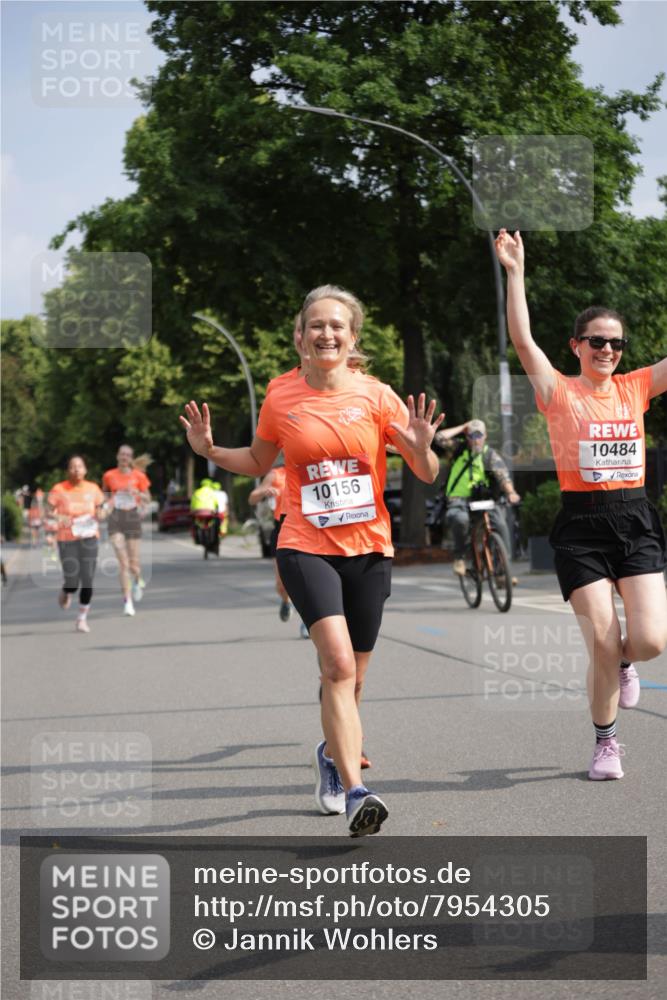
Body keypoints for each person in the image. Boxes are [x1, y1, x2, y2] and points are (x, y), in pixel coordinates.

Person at [180, 284, 443, 836]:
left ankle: (329, 753)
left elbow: (426, 473)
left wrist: (419, 447)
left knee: (354, 681)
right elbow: (258, 460)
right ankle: (356, 792)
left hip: (369, 548)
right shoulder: (280, 396)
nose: (327, 334)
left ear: (353, 339)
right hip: (305, 544)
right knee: (337, 667)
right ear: (300, 337)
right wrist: (208, 451)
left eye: (337, 327)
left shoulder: (377, 396)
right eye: (316, 326)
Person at [495, 228, 667, 781]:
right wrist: (516, 273)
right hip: (582, 526)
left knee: (648, 642)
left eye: (616, 343)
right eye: (597, 341)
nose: (608, 351)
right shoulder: (558, 391)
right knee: (600, 637)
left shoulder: (635, 387)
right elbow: (522, 341)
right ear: (577, 346)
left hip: (635, 518)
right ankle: (606, 743)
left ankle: (624, 662)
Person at [435, 419, 520, 576]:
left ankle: (502, 571)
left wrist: (511, 493)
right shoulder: (458, 448)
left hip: (483, 500)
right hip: (458, 498)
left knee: (500, 525)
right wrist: (462, 427)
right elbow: (438, 437)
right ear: (467, 437)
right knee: (460, 520)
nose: (475, 439)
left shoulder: (490, 455)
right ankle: (459, 557)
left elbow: (503, 476)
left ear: (485, 436)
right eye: (472, 435)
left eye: (479, 435)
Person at [47, 456, 106, 633]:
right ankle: (67, 590)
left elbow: (101, 508)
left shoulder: (93, 488)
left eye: (80, 466)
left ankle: (82, 618)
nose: (76, 470)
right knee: (72, 580)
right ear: (68, 471)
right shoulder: (58, 489)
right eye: (73, 467)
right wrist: (59, 517)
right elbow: (48, 512)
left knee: (87, 578)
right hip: (67, 538)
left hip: (89, 537)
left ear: (85, 470)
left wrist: (102, 514)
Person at [102, 445, 151, 617]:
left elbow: (147, 497)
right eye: (122, 454)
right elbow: (106, 496)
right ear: (117, 456)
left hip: (132, 518)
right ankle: (127, 602)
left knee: (134, 565)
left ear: (131, 458)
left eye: (127, 455)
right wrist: (105, 506)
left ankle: (137, 579)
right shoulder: (109, 475)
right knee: (123, 563)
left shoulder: (139, 476)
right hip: (115, 519)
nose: (124, 457)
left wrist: (137, 492)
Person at [248, 463, 292, 620]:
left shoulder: (309, 470)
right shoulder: (275, 474)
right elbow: (252, 498)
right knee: (282, 583)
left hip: (306, 528)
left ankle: (309, 622)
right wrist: (263, 492)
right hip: (281, 528)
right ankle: (286, 601)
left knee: (311, 582)